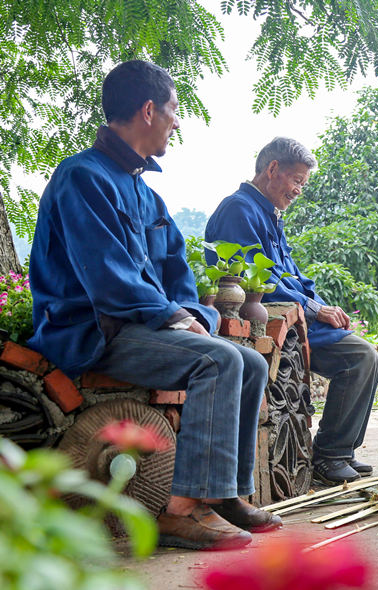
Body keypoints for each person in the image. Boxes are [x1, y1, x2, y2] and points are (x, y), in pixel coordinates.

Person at [28, 60, 279, 550]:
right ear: (148, 110)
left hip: (141, 331)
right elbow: (107, 280)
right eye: (174, 110)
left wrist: (194, 315)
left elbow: (179, 278)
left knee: (248, 362)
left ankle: (223, 494)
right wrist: (177, 318)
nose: (177, 121)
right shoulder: (81, 177)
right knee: (220, 359)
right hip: (92, 332)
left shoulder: (149, 197)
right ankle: (181, 511)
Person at [204, 137, 378, 485]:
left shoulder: (268, 213)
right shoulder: (239, 210)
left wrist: (321, 306)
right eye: (297, 180)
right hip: (269, 320)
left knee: (365, 356)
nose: (299, 190)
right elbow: (261, 282)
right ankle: (329, 456)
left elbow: (295, 277)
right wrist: (315, 310)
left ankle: (340, 452)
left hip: (299, 319)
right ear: (272, 170)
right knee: (361, 358)